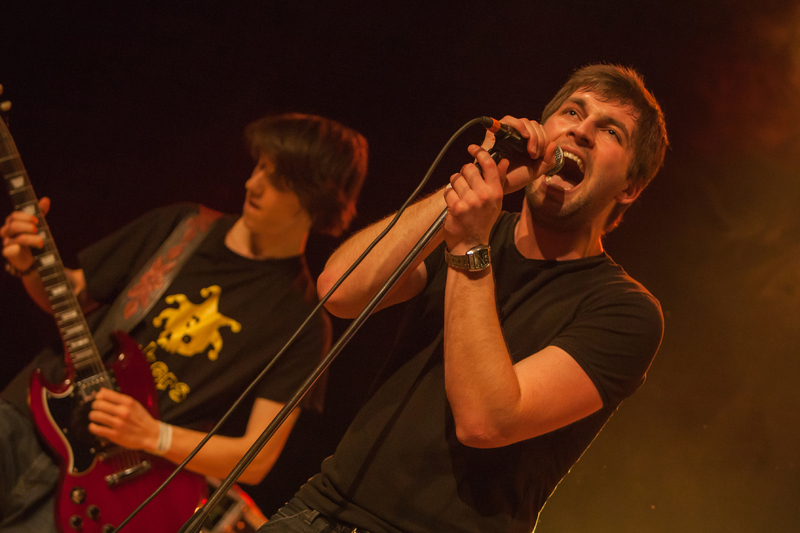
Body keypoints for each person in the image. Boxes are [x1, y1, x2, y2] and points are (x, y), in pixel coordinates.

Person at [258, 64, 669, 533]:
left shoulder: (625, 311)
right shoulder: (472, 223)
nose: (581, 131)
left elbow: (485, 421)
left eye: (610, 131)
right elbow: (339, 290)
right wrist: (480, 177)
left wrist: (470, 246)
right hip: (318, 512)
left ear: (630, 187)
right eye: (573, 112)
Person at [0, 112, 368, 531]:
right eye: (259, 166)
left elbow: (256, 458)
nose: (252, 184)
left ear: (316, 200)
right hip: (24, 418)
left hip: (106, 485)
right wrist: (30, 264)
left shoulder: (302, 324)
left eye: (278, 180)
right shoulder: (182, 226)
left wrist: (151, 434)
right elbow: (73, 294)